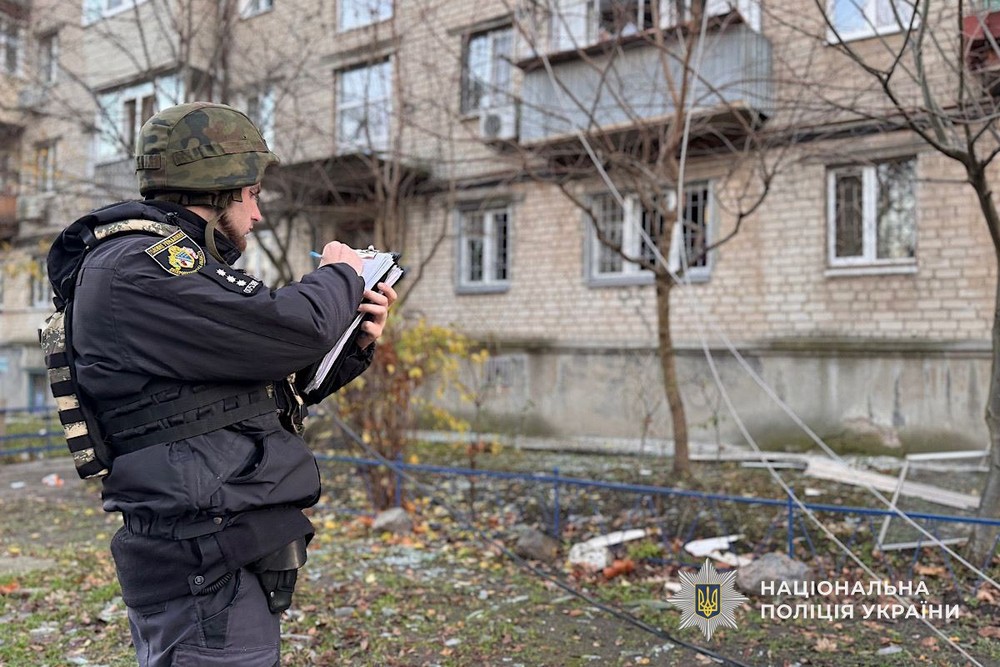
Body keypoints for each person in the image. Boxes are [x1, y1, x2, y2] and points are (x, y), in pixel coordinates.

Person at [45, 101, 395, 666]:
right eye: (252, 193)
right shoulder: (140, 266)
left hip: (218, 556)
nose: (257, 214)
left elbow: (251, 393)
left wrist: (352, 342)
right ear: (217, 187)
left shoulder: (169, 267)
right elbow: (292, 326)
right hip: (202, 569)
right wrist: (342, 273)